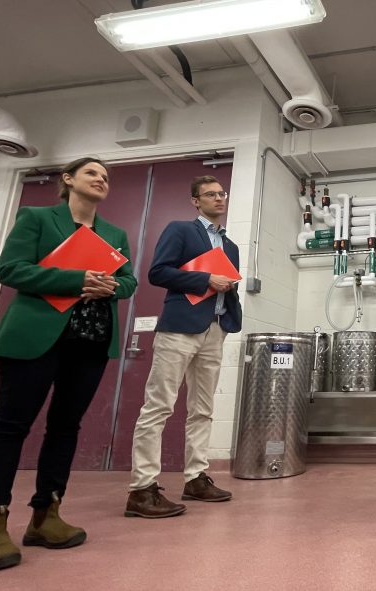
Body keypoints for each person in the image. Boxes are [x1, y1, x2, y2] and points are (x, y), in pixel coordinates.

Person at [0, 157, 137, 572]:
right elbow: (10, 270)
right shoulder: (38, 218)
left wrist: (112, 284)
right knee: (11, 427)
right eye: (91, 173)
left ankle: (46, 514)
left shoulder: (115, 234)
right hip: (36, 337)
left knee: (66, 427)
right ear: (68, 180)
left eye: (105, 176)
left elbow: (130, 280)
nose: (101, 179)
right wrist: (76, 279)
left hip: (91, 340)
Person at [125, 175, 242, 518]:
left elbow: (227, 282)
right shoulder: (180, 230)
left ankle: (196, 478)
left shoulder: (230, 246)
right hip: (179, 328)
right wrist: (205, 278)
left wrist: (230, 296)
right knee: (159, 406)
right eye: (210, 194)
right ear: (195, 201)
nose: (219, 198)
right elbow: (158, 272)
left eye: (222, 193)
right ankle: (142, 488)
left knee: (203, 409)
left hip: (215, 329)